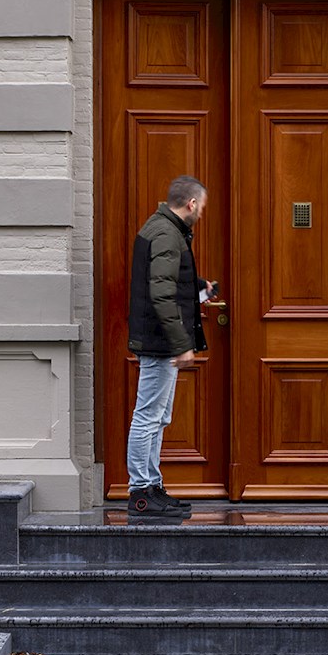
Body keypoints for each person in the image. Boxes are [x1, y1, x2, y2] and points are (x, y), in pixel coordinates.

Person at [125, 174, 219, 516]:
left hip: (159, 341)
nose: (202, 213)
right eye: (202, 207)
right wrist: (181, 344)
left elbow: (167, 281)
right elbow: (161, 294)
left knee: (158, 417)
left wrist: (198, 287)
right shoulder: (167, 233)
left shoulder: (165, 229)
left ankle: (152, 486)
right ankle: (140, 493)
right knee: (148, 417)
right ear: (191, 204)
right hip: (159, 343)